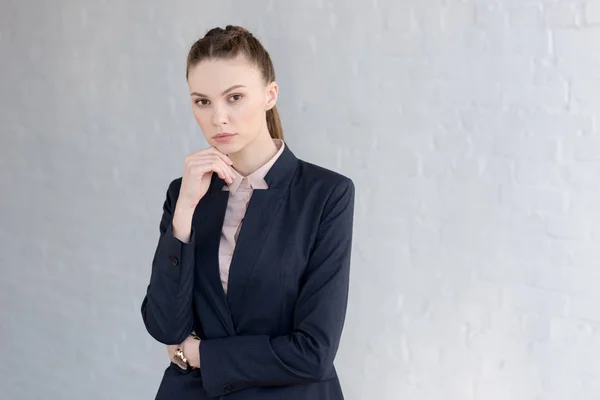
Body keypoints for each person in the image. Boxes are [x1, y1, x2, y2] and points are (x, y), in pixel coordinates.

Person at [140, 25, 355, 400]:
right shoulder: (184, 192)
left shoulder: (325, 195)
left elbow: (314, 352)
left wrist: (199, 354)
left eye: (234, 97)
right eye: (202, 101)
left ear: (270, 95)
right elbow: (164, 325)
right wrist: (185, 212)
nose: (218, 118)